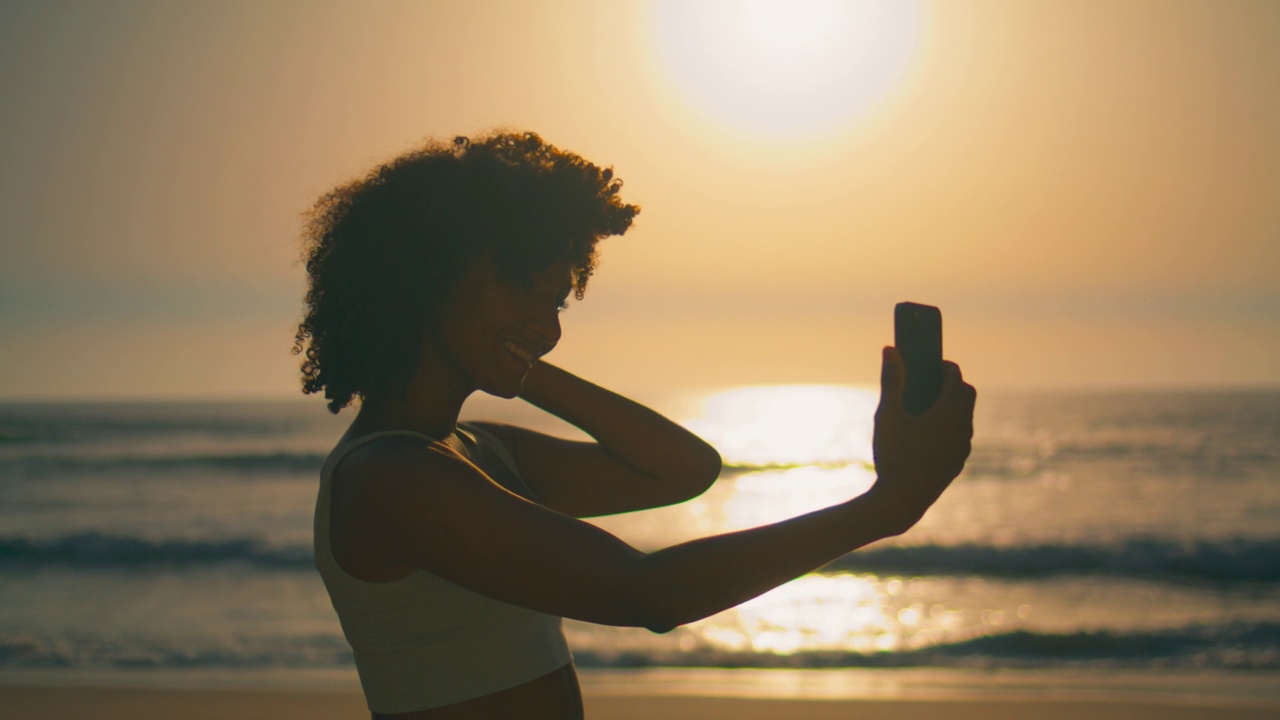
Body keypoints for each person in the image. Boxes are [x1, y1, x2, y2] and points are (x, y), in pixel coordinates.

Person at [294, 131, 976, 719]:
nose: (549, 321)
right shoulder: (392, 477)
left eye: (557, 301)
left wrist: (514, 356)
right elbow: (649, 593)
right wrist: (888, 506)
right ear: (425, 279)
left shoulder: (475, 452)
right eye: (521, 285)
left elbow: (682, 470)